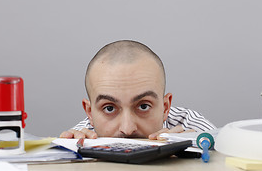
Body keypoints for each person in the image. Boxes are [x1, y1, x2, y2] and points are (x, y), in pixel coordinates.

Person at [60, 40, 215, 140]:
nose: (127, 129)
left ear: (165, 107)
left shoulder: (192, 128)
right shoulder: (79, 139)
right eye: (109, 108)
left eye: (143, 106)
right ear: (89, 112)